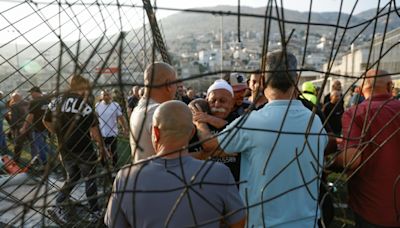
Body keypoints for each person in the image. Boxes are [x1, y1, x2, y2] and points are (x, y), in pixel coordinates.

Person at [196, 50, 328, 227]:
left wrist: (199, 122)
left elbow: (210, 146)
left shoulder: (253, 121)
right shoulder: (315, 121)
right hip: (307, 222)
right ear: (296, 81)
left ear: (263, 82)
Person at [105, 101, 245, 228]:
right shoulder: (219, 174)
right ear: (191, 133)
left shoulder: (126, 176)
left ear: (155, 132)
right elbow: (239, 222)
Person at [336, 69, 400, 227]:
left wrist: (333, 160)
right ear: (390, 86)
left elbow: (351, 159)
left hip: (371, 206)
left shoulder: (356, 113)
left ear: (363, 87)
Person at [43, 75, 107, 224]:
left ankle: (57, 205)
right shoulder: (84, 103)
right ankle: (95, 212)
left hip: (64, 149)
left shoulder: (56, 101)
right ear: (82, 86)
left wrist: (57, 132)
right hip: (83, 148)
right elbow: (94, 128)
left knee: (72, 178)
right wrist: (102, 147)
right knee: (90, 179)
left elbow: (45, 121)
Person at [190, 79, 240, 181]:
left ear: (232, 103)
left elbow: (238, 149)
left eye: (222, 101)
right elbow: (186, 156)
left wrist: (210, 119)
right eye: (213, 101)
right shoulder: (194, 124)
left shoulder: (240, 121)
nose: (217, 105)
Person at [130, 62, 177, 162]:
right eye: (175, 83)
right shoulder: (159, 111)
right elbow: (173, 160)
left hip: (141, 173)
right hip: (158, 175)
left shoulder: (138, 109)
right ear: (168, 85)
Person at [95, 89, 128, 167]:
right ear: (101, 96)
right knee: (102, 151)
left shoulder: (115, 105)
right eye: (104, 95)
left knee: (114, 151)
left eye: (107, 94)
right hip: (101, 133)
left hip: (113, 132)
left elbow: (120, 117)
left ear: (110, 96)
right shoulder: (98, 106)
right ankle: (104, 166)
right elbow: (95, 119)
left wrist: (125, 128)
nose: (106, 96)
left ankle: (114, 166)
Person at [20, 86, 52, 165]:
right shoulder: (47, 99)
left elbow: (30, 116)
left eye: (31, 93)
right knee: (43, 144)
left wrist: (24, 127)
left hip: (37, 127)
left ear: (35, 92)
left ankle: (45, 162)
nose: (31, 94)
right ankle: (55, 156)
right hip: (47, 125)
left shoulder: (34, 102)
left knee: (40, 145)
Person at [8, 91, 32, 163]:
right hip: (30, 124)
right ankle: (36, 158)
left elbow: (14, 118)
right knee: (33, 142)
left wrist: (12, 128)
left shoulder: (14, 105)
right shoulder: (28, 103)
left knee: (18, 143)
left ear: (14, 98)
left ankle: (16, 159)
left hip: (20, 126)